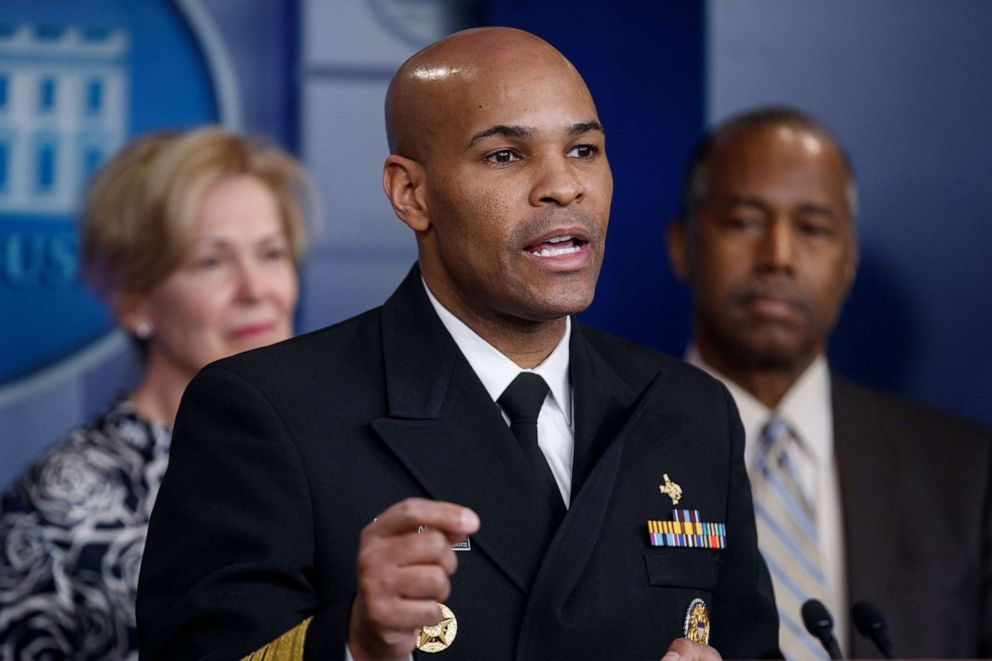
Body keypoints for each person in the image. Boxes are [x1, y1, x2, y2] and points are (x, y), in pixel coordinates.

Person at [137, 28, 779, 661]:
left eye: (584, 150)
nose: (563, 186)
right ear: (410, 194)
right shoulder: (268, 412)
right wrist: (357, 646)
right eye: (505, 156)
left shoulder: (691, 411)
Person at [667, 106, 992, 658]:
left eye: (813, 228)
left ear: (849, 263)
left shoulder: (964, 471)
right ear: (683, 246)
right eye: (745, 221)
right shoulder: (610, 444)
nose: (779, 257)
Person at [0, 127, 310, 660]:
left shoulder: (341, 452)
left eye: (271, 253)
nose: (256, 289)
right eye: (212, 262)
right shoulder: (55, 506)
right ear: (135, 300)